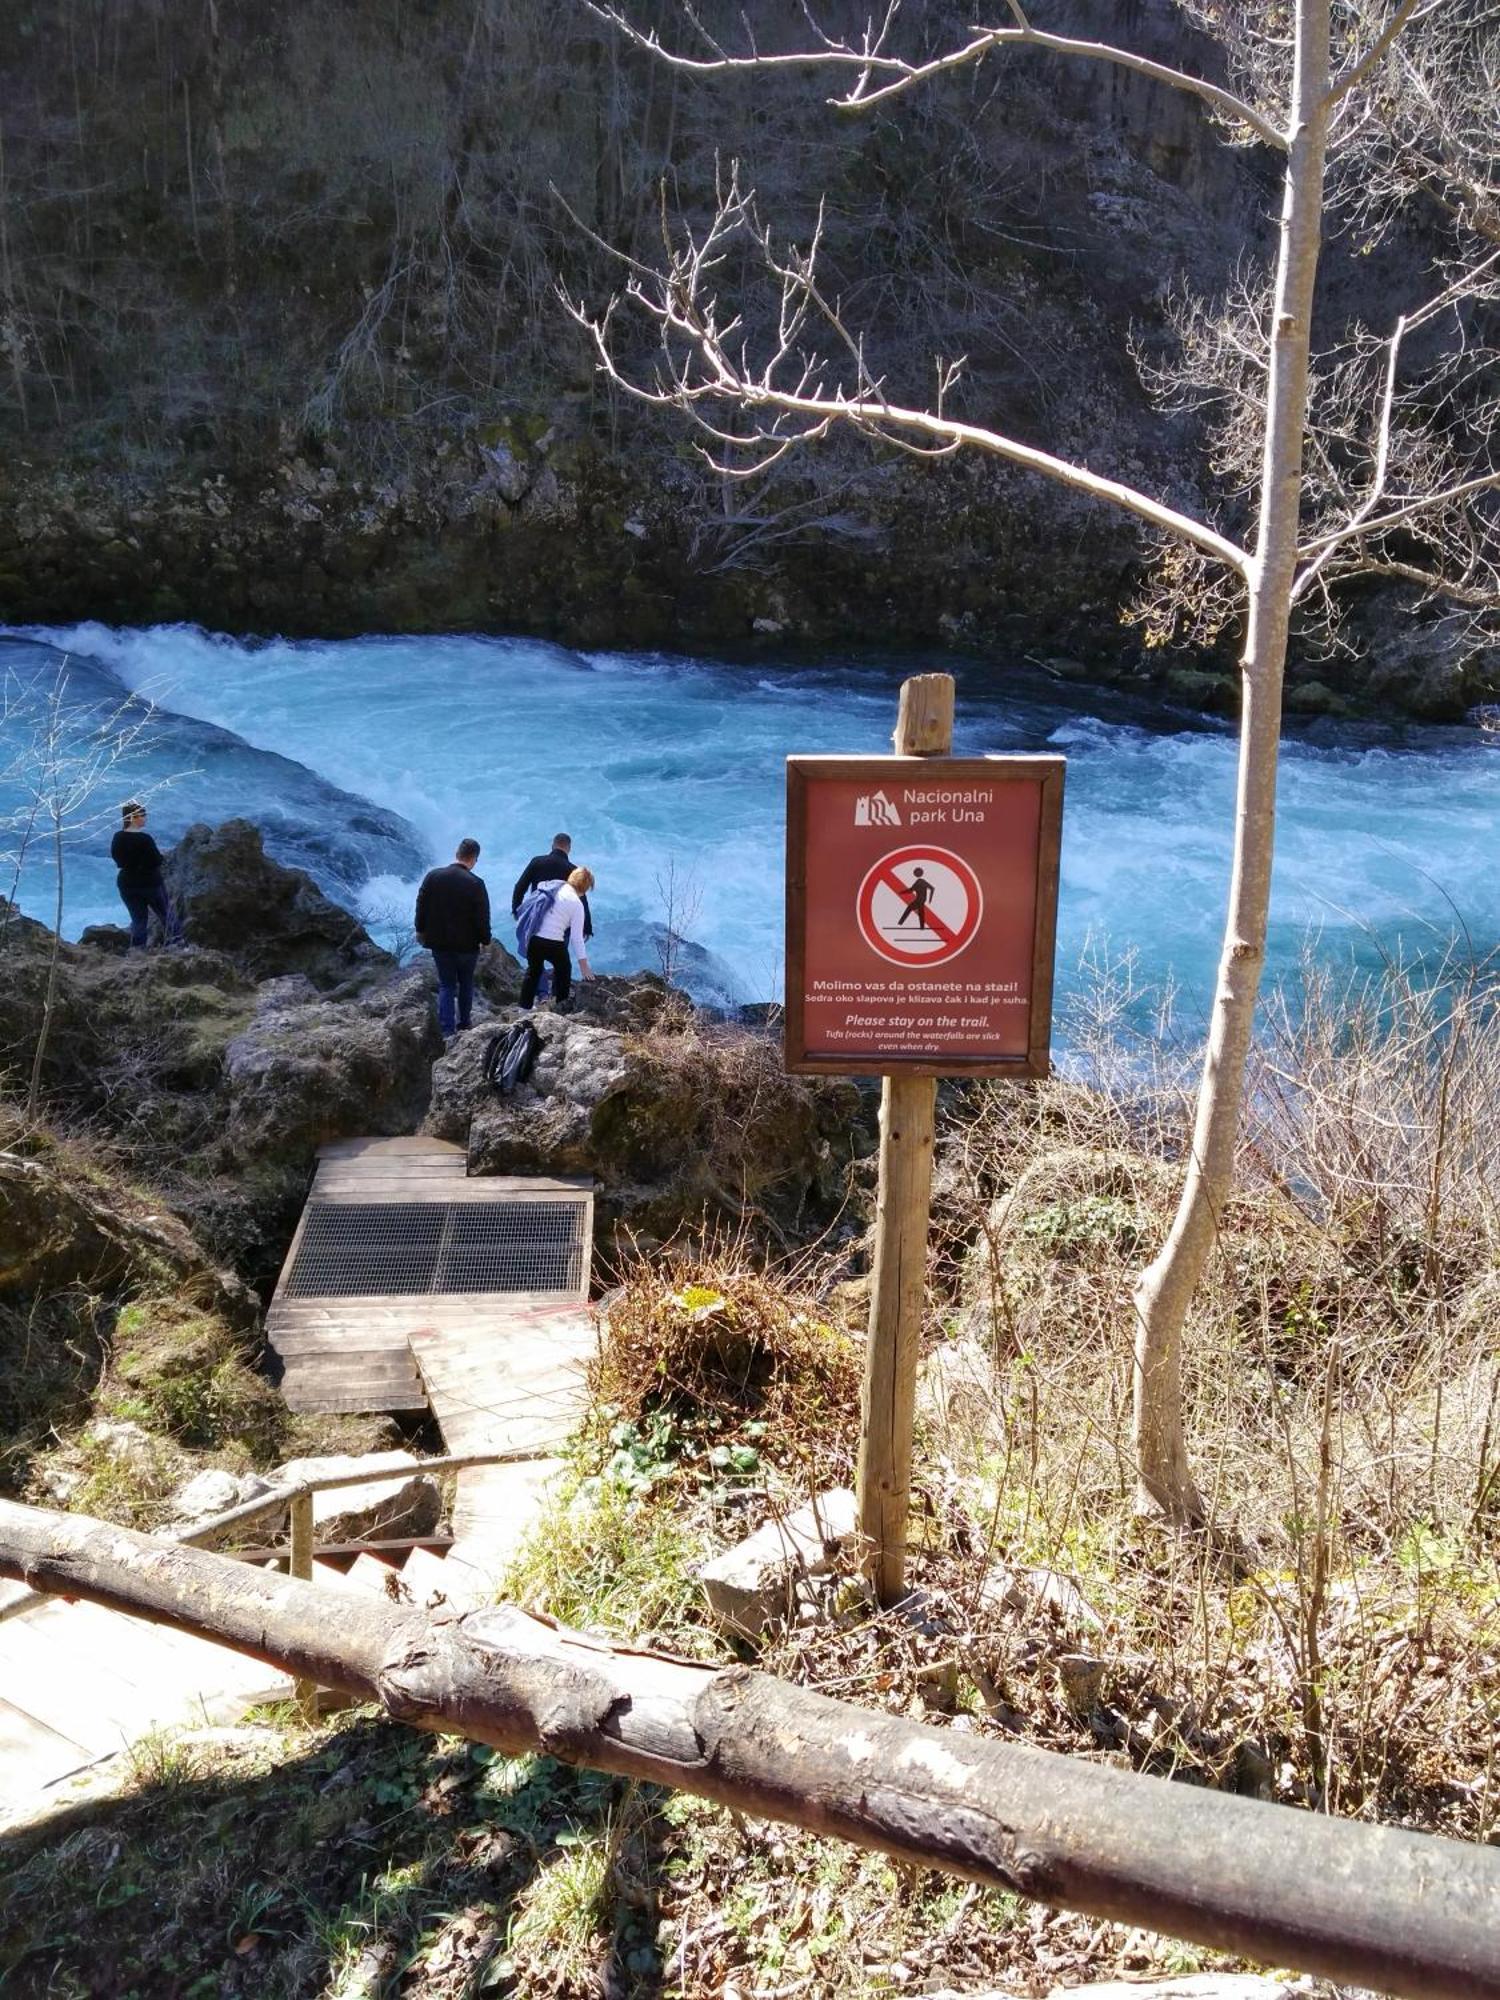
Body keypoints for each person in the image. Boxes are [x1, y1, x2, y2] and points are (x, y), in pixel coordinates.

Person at [414, 838, 491, 1038]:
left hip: (440, 942)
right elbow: (482, 917)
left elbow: (421, 905)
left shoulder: (433, 877)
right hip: (467, 946)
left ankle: (447, 1031)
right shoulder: (476, 884)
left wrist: (420, 929)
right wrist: (486, 939)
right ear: (474, 859)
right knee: (466, 983)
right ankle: (464, 1024)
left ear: (457, 854)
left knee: (446, 984)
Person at [520, 865, 594, 1010]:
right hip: (554, 943)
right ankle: (561, 1004)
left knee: (533, 971)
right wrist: (584, 968)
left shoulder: (553, 887)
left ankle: (524, 1008)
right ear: (585, 888)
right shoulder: (577, 904)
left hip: (534, 938)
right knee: (564, 969)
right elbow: (576, 938)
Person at [110, 800, 181, 949]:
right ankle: (177, 944)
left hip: (127, 884)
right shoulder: (145, 839)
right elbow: (156, 860)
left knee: (139, 920)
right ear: (132, 818)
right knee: (166, 914)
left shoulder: (118, 837)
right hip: (150, 883)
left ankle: (138, 950)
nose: (145, 818)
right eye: (142, 815)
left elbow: (118, 860)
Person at [512, 833, 593, 942]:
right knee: (559, 955)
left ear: (552, 846)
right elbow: (582, 900)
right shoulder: (573, 870)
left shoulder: (537, 862)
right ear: (569, 849)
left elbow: (520, 887)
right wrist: (586, 927)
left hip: (537, 916)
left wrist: (517, 910)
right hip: (561, 923)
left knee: (535, 954)